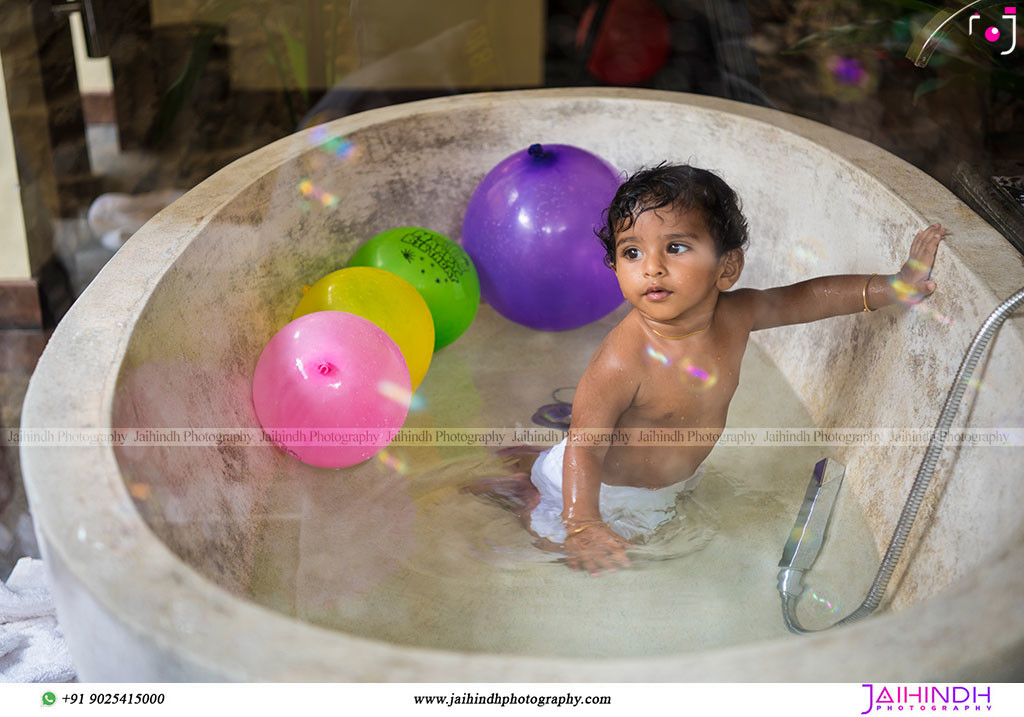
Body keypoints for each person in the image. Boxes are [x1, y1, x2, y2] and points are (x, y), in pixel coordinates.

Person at [465, 163, 946, 576]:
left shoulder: (736, 315)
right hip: (606, 492)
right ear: (615, 267)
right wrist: (584, 522)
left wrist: (892, 287)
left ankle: (530, 468)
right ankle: (526, 491)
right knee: (559, 545)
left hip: (667, 480)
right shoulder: (622, 358)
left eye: (675, 248)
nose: (651, 267)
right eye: (632, 252)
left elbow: (804, 298)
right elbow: (587, 451)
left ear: (727, 268)